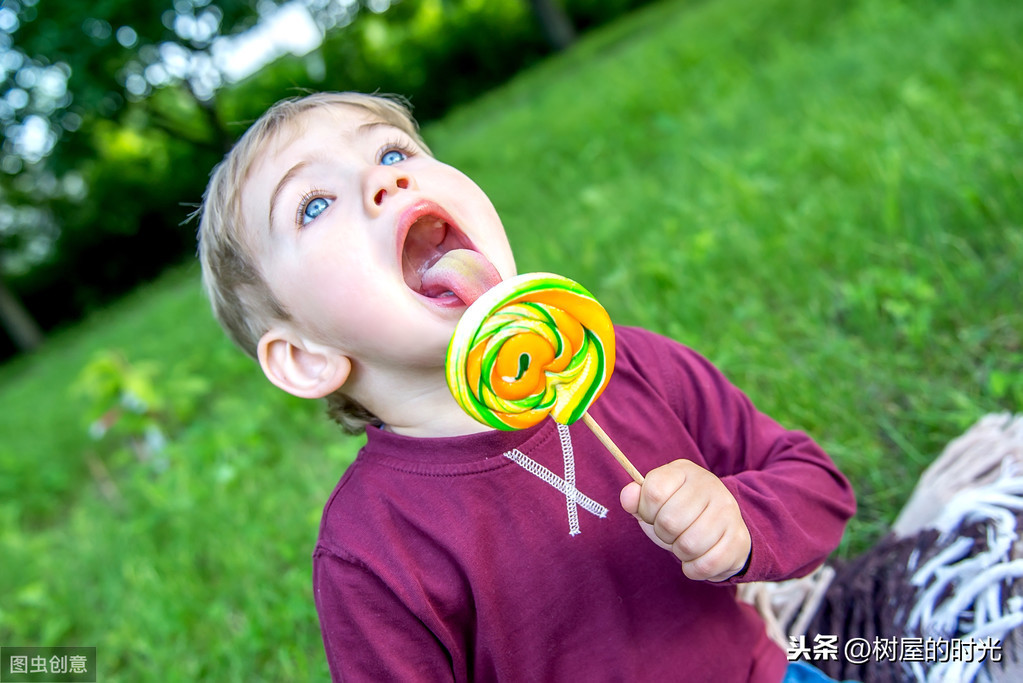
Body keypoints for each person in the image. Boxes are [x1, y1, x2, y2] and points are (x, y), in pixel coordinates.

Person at [197, 91, 856, 682]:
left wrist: (739, 522)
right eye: (313, 204)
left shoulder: (631, 366)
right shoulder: (371, 550)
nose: (381, 179)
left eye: (393, 149)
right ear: (306, 357)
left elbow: (818, 488)